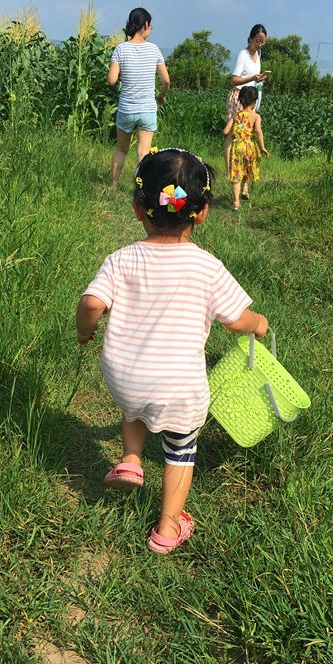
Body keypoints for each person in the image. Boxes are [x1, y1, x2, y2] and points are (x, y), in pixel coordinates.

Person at [76, 148, 269, 553]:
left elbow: (92, 303)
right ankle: (167, 527)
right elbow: (236, 319)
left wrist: (85, 331)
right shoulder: (207, 267)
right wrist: (259, 324)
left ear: (137, 209)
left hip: (124, 377)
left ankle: (131, 459)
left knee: (135, 408)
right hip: (180, 385)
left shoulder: (121, 259)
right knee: (181, 448)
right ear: (201, 213)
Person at [107, 8, 170, 187]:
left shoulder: (120, 49)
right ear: (146, 25)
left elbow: (111, 80)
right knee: (144, 153)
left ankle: (113, 184)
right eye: (151, 25)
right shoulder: (154, 50)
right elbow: (166, 80)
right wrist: (161, 96)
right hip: (147, 109)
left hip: (127, 108)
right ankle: (141, 187)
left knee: (121, 149)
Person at [224, 24, 268, 176]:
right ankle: (229, 169)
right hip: (239, 97)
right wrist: (252, 78)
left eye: (262, 41)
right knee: (232, 133)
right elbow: (234, 80)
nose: (259, 44)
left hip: (251, 99)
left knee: (247, 134)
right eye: (257, 40)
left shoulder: (258, 55)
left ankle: (241, 168)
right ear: (250, 39)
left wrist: (259, 79)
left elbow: (253, 78)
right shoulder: (243, 54)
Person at [223, 86, 269, 209]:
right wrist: (262, 147)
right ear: (254, 102)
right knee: (250, 168)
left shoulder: (235, 115)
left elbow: (225, 131)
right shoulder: (256, 116)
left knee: (236, 175)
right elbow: (258, 131)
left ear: (241, 101)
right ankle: (245, 187)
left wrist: (236, 131)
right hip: (250, 146)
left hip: (237, 148)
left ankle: (236, 202)